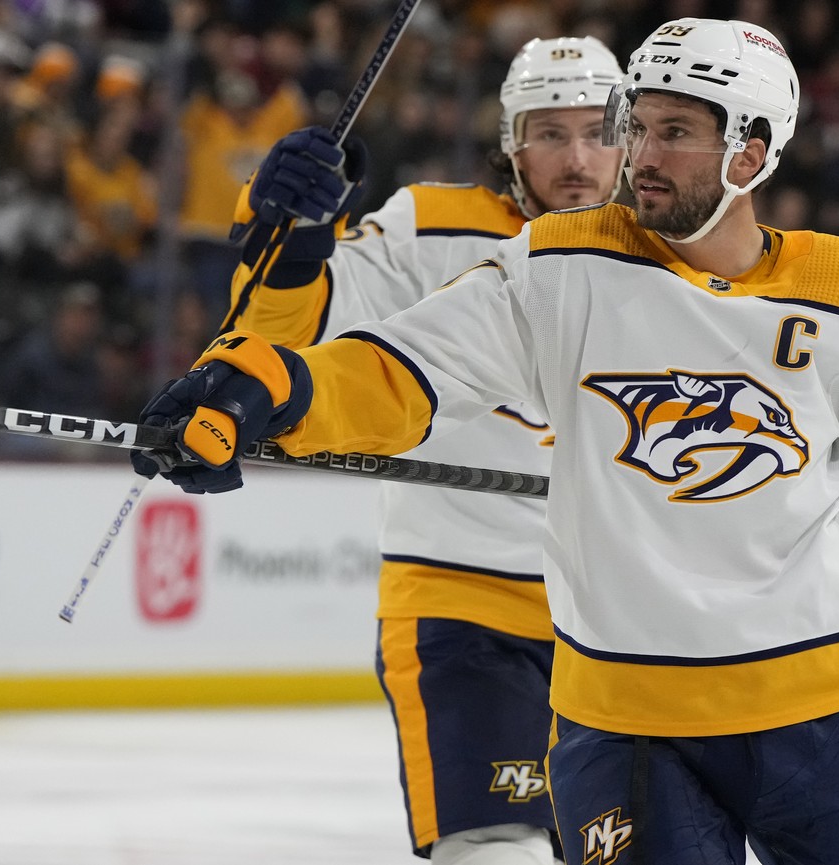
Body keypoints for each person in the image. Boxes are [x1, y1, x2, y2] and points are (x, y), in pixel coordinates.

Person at [134, 19, 839, 864]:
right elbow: (396, 373)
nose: (640, 155)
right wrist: (268, 387)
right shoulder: (562, 266)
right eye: (641, 125)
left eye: (675, 131)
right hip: (624, 727)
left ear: (751, 152)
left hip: (829, 714)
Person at [205, 36, 625, 865]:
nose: (576, 159)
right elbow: (291, 334)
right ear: (511, 142)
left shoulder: (682, 251)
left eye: (597, 132)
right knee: (493, 848)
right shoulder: (432, 226)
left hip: (628, 617)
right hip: (463, 604)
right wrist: (292, 235)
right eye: (549, 133)